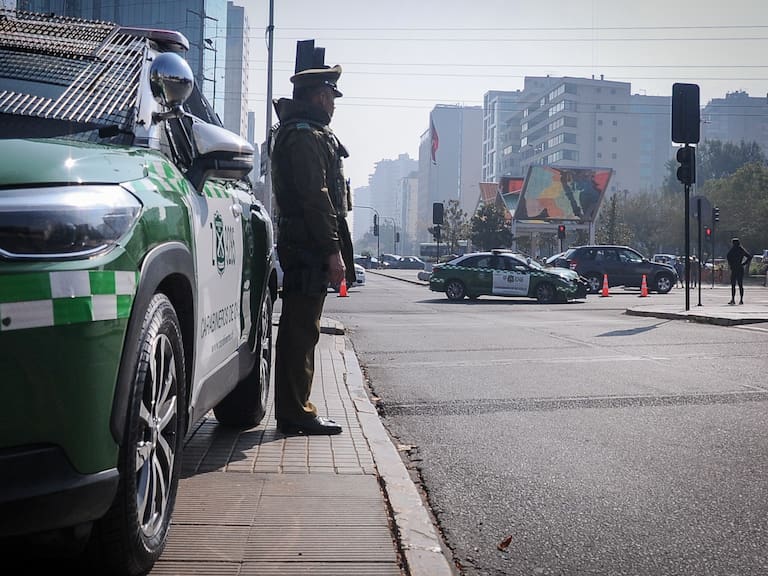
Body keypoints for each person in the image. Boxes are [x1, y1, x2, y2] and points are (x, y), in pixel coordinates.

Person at [269, 48, 355, 435]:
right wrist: (332, 250)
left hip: (307, 242)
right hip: (308, 244)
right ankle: (295, 412)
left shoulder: (308, 132)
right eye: (331, 97)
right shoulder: (303, 136)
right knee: (301, 329)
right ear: (320, 95)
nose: (334, 105)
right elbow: (316, 196)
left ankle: (296, 408)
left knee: (304, 327)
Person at [727, 237, 752, 305]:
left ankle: (733, 299)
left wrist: (731, 264)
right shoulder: (741, 250)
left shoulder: (732, 250)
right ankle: (741, 300)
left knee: (733, 285)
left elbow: (728, 257)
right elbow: (749, 256)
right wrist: (744, 263)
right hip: (740, 268)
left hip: (734, 268)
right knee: (740, 284)